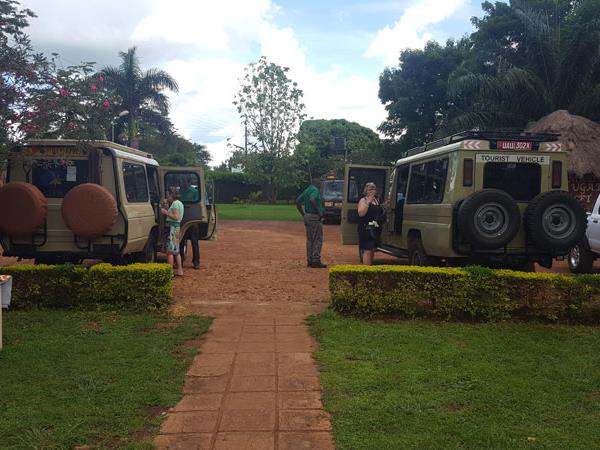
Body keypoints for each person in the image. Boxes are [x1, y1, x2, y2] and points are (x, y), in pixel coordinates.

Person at [296, 178, 327, 268]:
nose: (321, 184)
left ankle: (310, 260)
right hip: (314, 217)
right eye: (320, 182)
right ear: (317, 183)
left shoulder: (306, 190)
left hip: (307, 216)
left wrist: (303, 214)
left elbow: (297, 201)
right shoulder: (315, 190)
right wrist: (319, 212)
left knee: (310, 240)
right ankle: (316, 260)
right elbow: (312, 199)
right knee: (317, 238)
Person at [357, 182, 386, 265]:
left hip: (375, 228)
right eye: (369, 189)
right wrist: (368, 202)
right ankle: (366, 270)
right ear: (366, 191)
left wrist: (384, 207)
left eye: (373, 189)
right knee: (367, 250)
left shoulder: (377, 200)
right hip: (366, 228)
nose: (372, 191)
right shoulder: (363, 200)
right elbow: (361, 213)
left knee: (372, 249)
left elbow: (377, 213)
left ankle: (370, 266)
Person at [161, 187, 185, 276]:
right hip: (177, 228)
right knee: (176, 251)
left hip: (172, 228)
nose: (167, 197)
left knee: (170, 252)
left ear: (172, 194)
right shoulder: (179, 203)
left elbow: (176, 217)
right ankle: (180, 270)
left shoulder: (175, 204)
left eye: (167, 194)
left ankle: (170, 272)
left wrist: (166, 212)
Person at [178, 176, 200, 269]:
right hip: (181, 220)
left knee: (194, 241)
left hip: (192, 220)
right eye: (181, 182)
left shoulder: (195, 192)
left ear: (188, 182)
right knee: (181, 241)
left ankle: (196, 261)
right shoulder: (179, 192)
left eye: (183, 182)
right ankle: (180, 260)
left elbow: (197, 205)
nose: (182, 184)